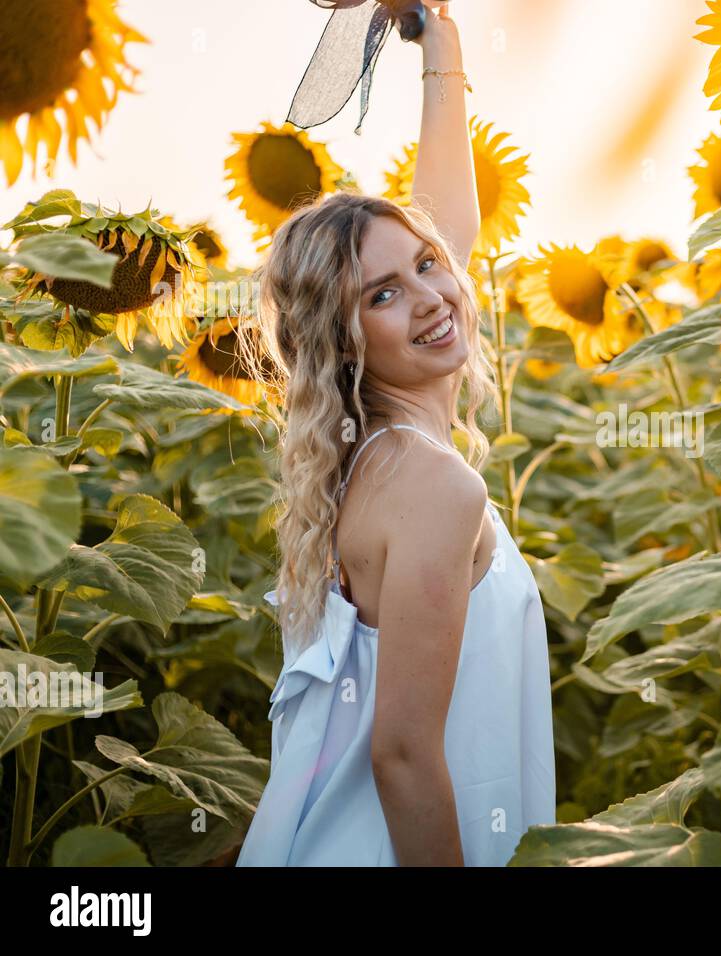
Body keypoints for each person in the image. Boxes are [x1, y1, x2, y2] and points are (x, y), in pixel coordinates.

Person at [235, 1, 555, 866]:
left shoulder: (367, 458)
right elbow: (404, 757)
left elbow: (447, 232)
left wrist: (439, 42)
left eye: (425, 269)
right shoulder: (436, 486)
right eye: (380, 296)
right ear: (347, 341)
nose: (429, 297)